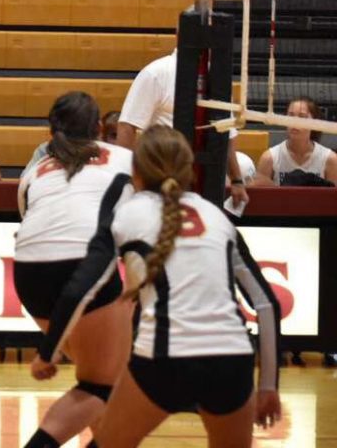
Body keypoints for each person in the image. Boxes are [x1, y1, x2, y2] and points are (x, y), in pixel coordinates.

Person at [33, 126, 282, 447]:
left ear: (135, 170)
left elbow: (80, 288)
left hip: (166, 360)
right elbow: (267, 305)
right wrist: (268, 386)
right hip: (231, 361)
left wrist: (48, 353)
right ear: (188, 168)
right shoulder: (217, 217)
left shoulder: (125, 215)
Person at [13, 92, 134, 448]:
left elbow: (28, 217)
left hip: (28, 274)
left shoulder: (35, 169)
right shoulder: (126, 159)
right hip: (83, 265)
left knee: (95, 378)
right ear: (99, 128)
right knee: (103, 385)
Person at [115, 48, 249, 206]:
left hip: (206, 170)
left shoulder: (217, 78)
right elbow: (127, 125)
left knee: (246, 165)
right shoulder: (157, 72)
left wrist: (237, 180)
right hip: (163, 167)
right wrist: (125, 179)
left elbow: (226, 132)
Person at [255, 97, 337, 186]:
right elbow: (261, 196)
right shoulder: (269, 158)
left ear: (315, 121)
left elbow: (333, 198)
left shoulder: (330, 159)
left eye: (302, 116)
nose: (295, 122)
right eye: (291, 115)